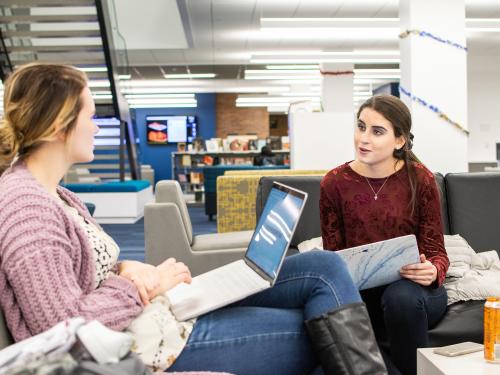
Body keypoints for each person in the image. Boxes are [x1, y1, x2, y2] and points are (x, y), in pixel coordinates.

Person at [0, 63, 387, 375]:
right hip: (149, 343)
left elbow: (79, 272)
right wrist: (143, 287)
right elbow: (62, 329)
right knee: (322, 332)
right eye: (88, 114)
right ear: (57, 125)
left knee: (324, 265)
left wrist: (125, 266)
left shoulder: (57, 194)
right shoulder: (27, 208)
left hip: (159, 315)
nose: (96, 125)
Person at [319, 94, 450, 375]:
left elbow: (437, 252)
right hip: (362, 293)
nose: (363, 138)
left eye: (377, 131)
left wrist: (433, 270)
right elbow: (334, 255)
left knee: (399, 298)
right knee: (335, 310)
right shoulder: (334, 183)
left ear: (399, 140)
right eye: (361, 126)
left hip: (415, 291)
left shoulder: (421, 179)